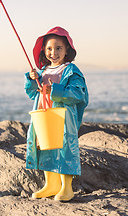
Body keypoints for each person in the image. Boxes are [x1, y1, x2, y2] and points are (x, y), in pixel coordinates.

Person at [24, 26, 88, 201]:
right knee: (45, 145)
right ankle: (51, 184)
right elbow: (32, 93)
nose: (54, 52)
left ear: (67, 49)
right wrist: (31, 80)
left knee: (64, 147)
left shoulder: (71, 71)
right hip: (44, 113)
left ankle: (67, 188)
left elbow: (78, 93)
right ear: (44, 51)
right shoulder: (43, 71)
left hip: (63, 116)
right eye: (49, 49)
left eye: (58, 48)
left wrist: (56, 90)